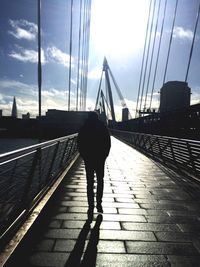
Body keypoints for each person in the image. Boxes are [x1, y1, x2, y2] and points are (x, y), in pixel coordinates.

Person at [77, 111, 111, 220]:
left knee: (90, 183)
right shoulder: (103, 127)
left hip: (89, 159)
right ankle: (99, 204)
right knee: (100, 180)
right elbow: (107, 143)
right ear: (97, 117)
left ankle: (90, 205)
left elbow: (79, 143)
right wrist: (104, 156)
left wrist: (84, 156)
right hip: (100, 159)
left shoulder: (84, 127)